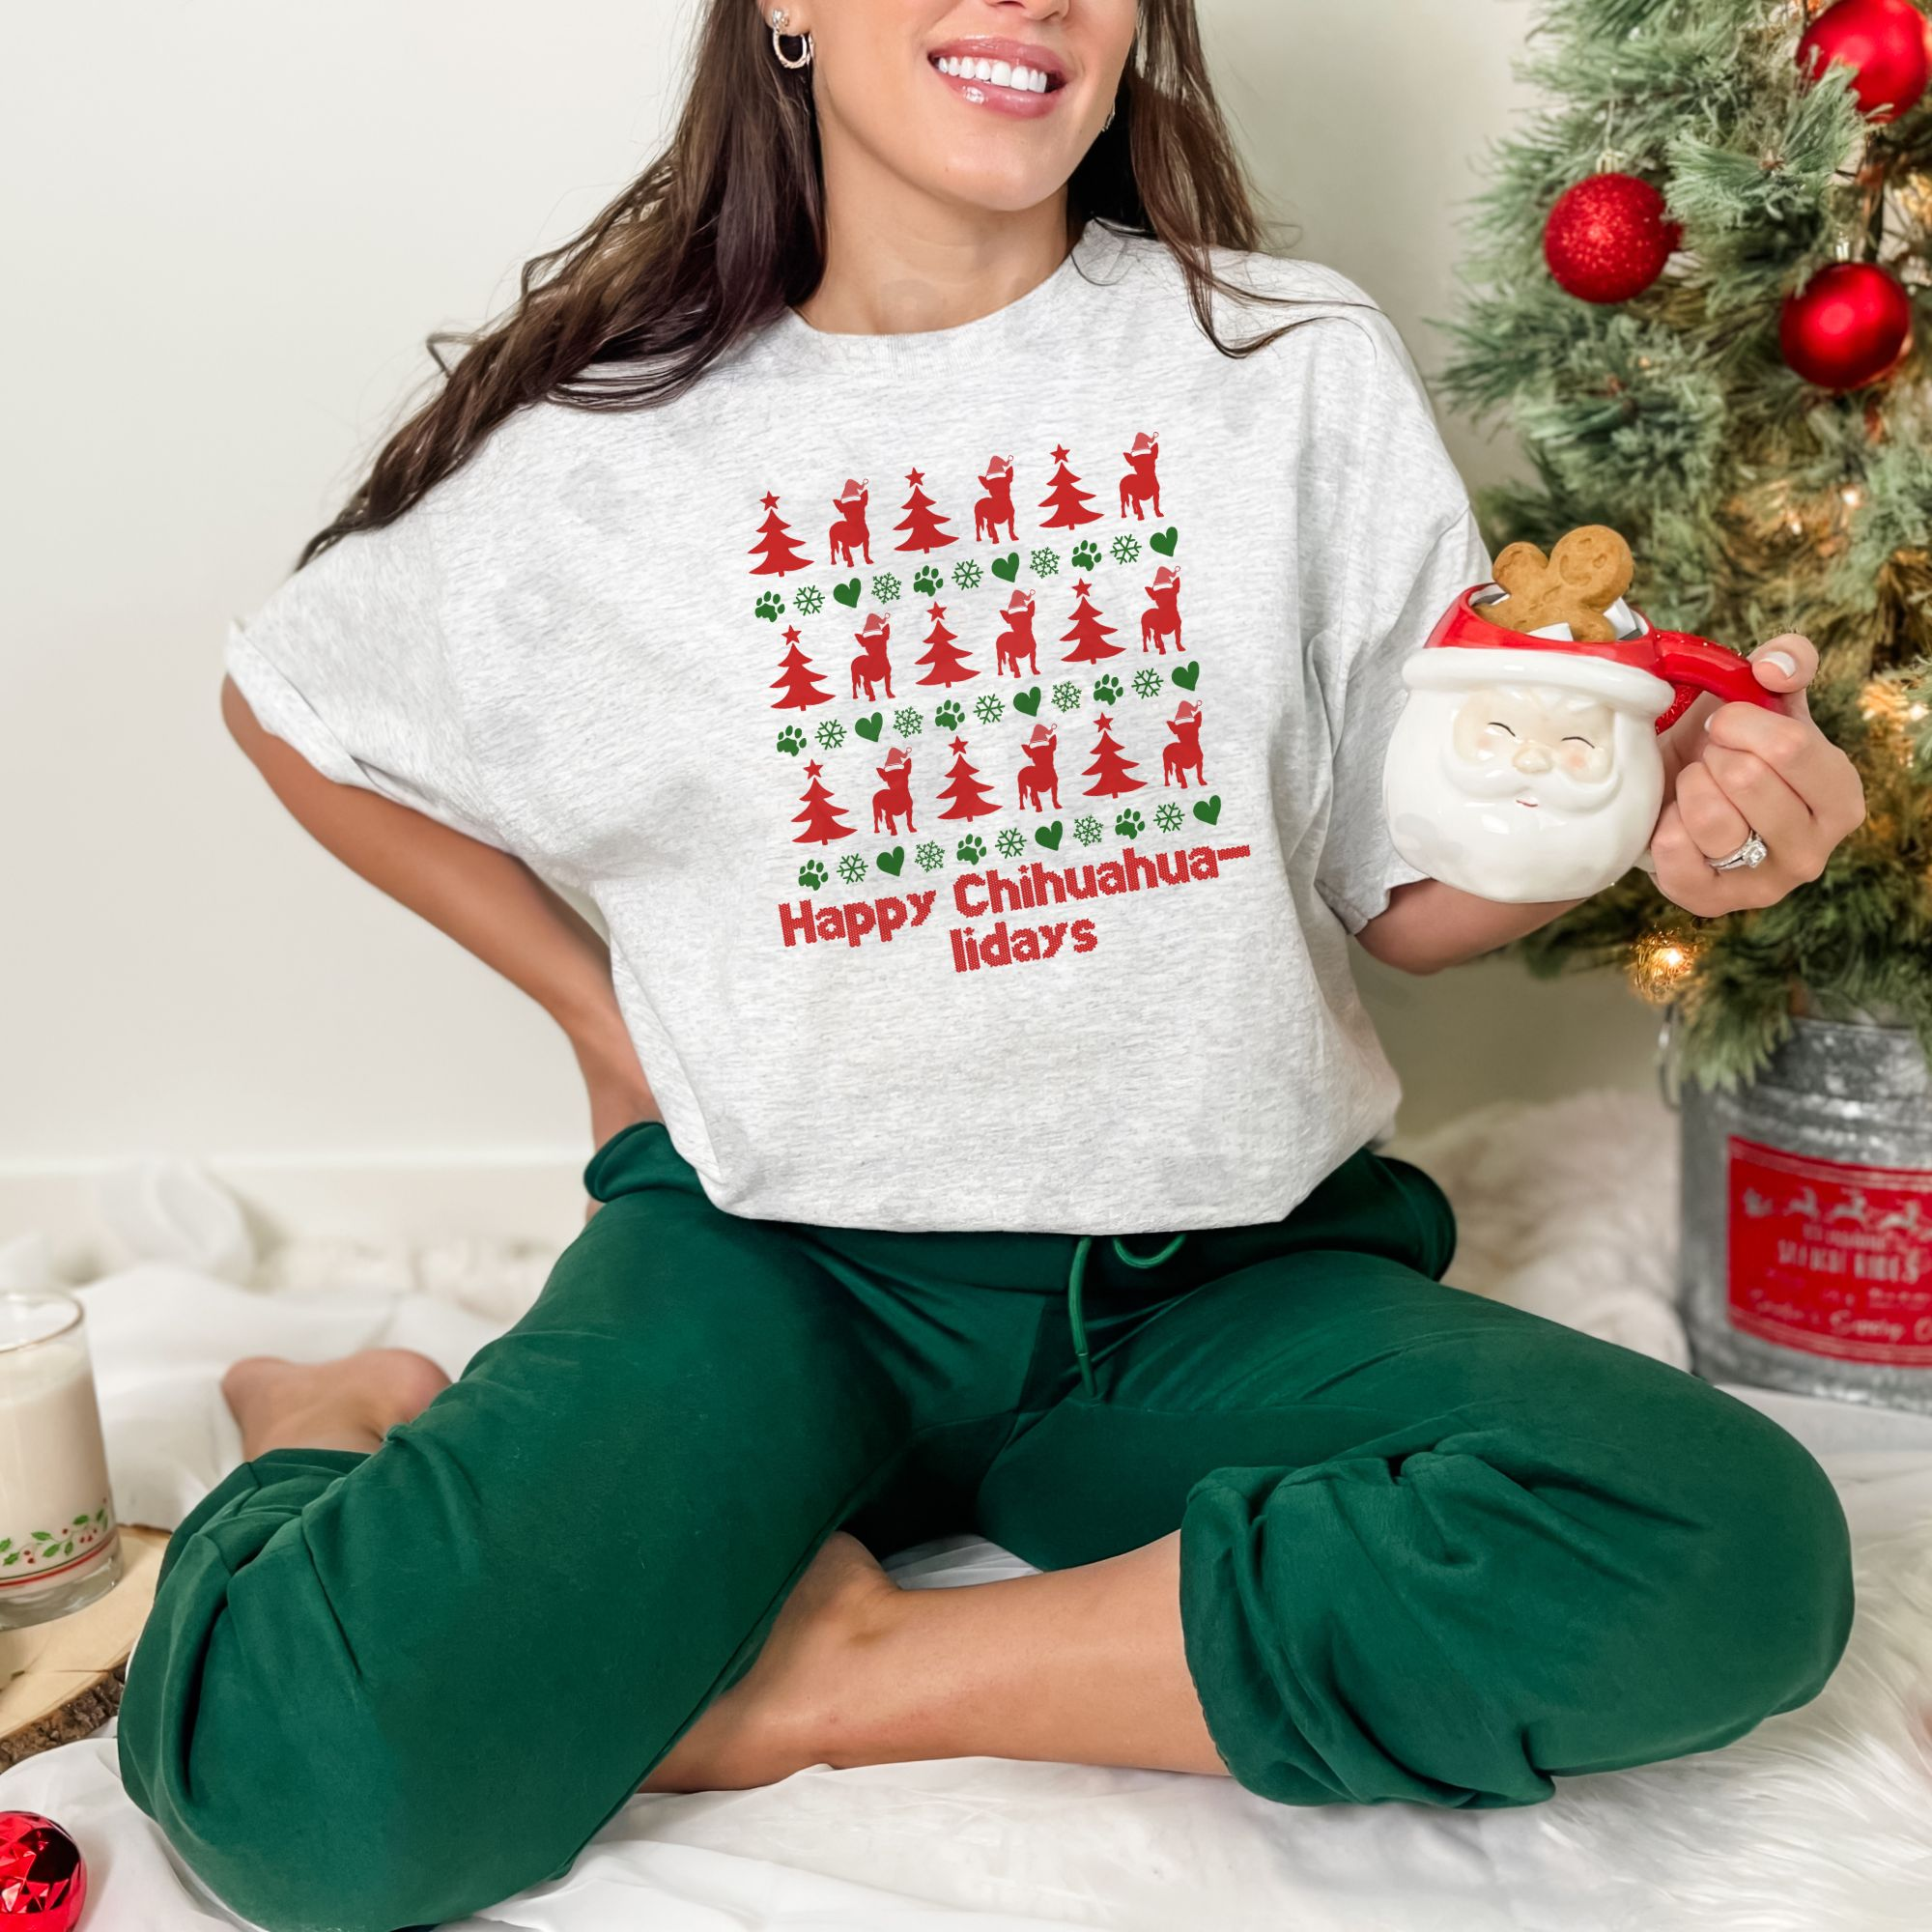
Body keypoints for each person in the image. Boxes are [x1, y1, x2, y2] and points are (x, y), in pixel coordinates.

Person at [117, 4, 1869, 1929]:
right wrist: (599, 1019)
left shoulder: (1280, 367)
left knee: (1730, 1550)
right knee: (305, 1794)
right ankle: (333, 1414)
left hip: (1208, 1282)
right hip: (782, 1269)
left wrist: (1644, 829)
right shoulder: (611, 447)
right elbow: (294, 703)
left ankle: (843, 1668)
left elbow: (1399, 891)